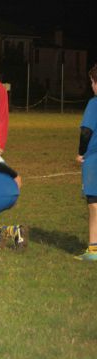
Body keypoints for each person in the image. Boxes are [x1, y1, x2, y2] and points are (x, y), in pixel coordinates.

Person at [75, 64, 97, 261]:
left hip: (94, 159)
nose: (91, 86)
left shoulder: (94, 103)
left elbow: (86, 131)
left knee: (94, 204)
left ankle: (93, 250)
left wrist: (81, 153)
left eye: (92, 81)